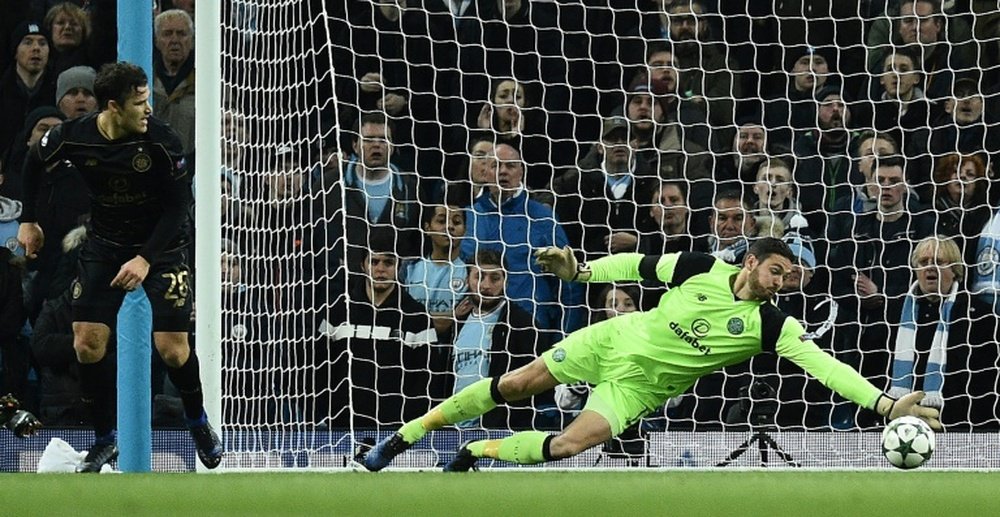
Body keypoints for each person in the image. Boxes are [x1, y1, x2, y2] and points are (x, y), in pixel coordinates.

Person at [361, 237, 942, 471]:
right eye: (775, 270)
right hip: (611, 341)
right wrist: (583, 272)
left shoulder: (772, 325)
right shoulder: (699, 268)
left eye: (789, 277)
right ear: (751, 264)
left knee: (569, 444)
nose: (781, 281)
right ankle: (402, 438)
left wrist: (886, 404)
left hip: (637, 389)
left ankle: (474, 449)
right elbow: (635, 267)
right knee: (515, 385)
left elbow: (826, 367)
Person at [16, 61, 222, 472]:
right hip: (105, 246)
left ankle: (198, 421)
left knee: (172, 349)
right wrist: (28, 219)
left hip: (162, 250)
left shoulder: (163, 142)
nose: (148, 110)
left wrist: (145, 259)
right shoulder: (74, 136)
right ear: (113, 106)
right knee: (85, 343)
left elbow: (178, 208)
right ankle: (104, 439)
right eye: (140, 103)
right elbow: (33, 163)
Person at [437, 249, 551, 429]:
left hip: (500, 431)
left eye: (494, 278)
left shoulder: (522, 324)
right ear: (468, 280)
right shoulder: (456, 324)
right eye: (479, 277)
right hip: (455, 429)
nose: (485, 285)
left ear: (506, 281)